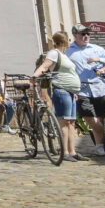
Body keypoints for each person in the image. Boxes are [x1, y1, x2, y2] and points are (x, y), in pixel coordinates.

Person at [31, 30, 83, 160]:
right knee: (64, 122)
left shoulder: (64, 55)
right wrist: (34, 77)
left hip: (70, 92)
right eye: (69, 39)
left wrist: (74, 91)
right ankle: (64, 152)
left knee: (71, 122)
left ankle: (72, 152)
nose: (70, 42)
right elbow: (45, 66)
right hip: (61, 91)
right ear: (65, 41)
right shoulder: (54, 53)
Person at [66, 28, 105, 153]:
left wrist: (99, 60)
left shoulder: (97, 49)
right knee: (89, 117)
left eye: (88, 34)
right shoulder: (68, 52)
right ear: (75, 35)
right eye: (83, 34)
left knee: (102, 118)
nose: (86, 36)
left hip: (100, 87)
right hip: (82, 89)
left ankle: (100, 145)